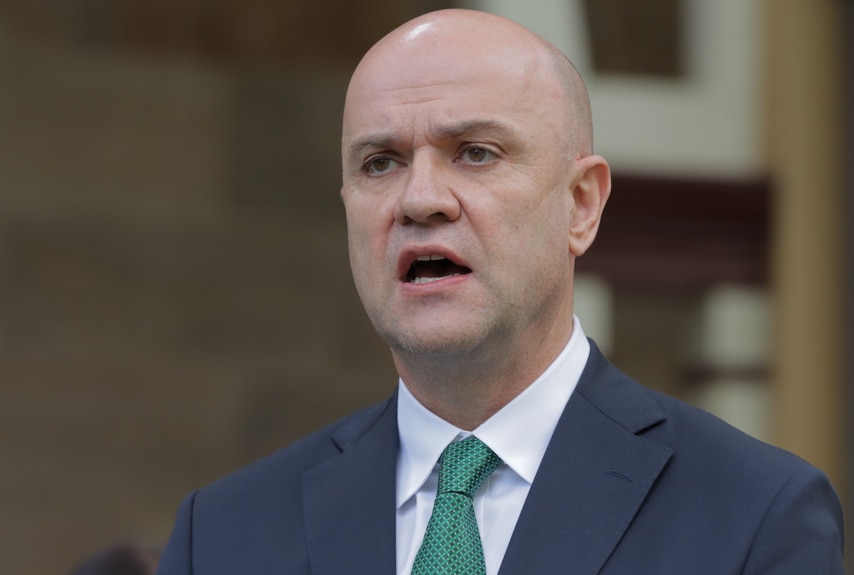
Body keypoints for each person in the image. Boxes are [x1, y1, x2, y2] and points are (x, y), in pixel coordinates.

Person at [156, 8, 844, 574]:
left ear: (581, 204)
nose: (420, 198)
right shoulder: (220, 535)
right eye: (380, 162)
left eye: (475, 152)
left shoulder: (755, 514)